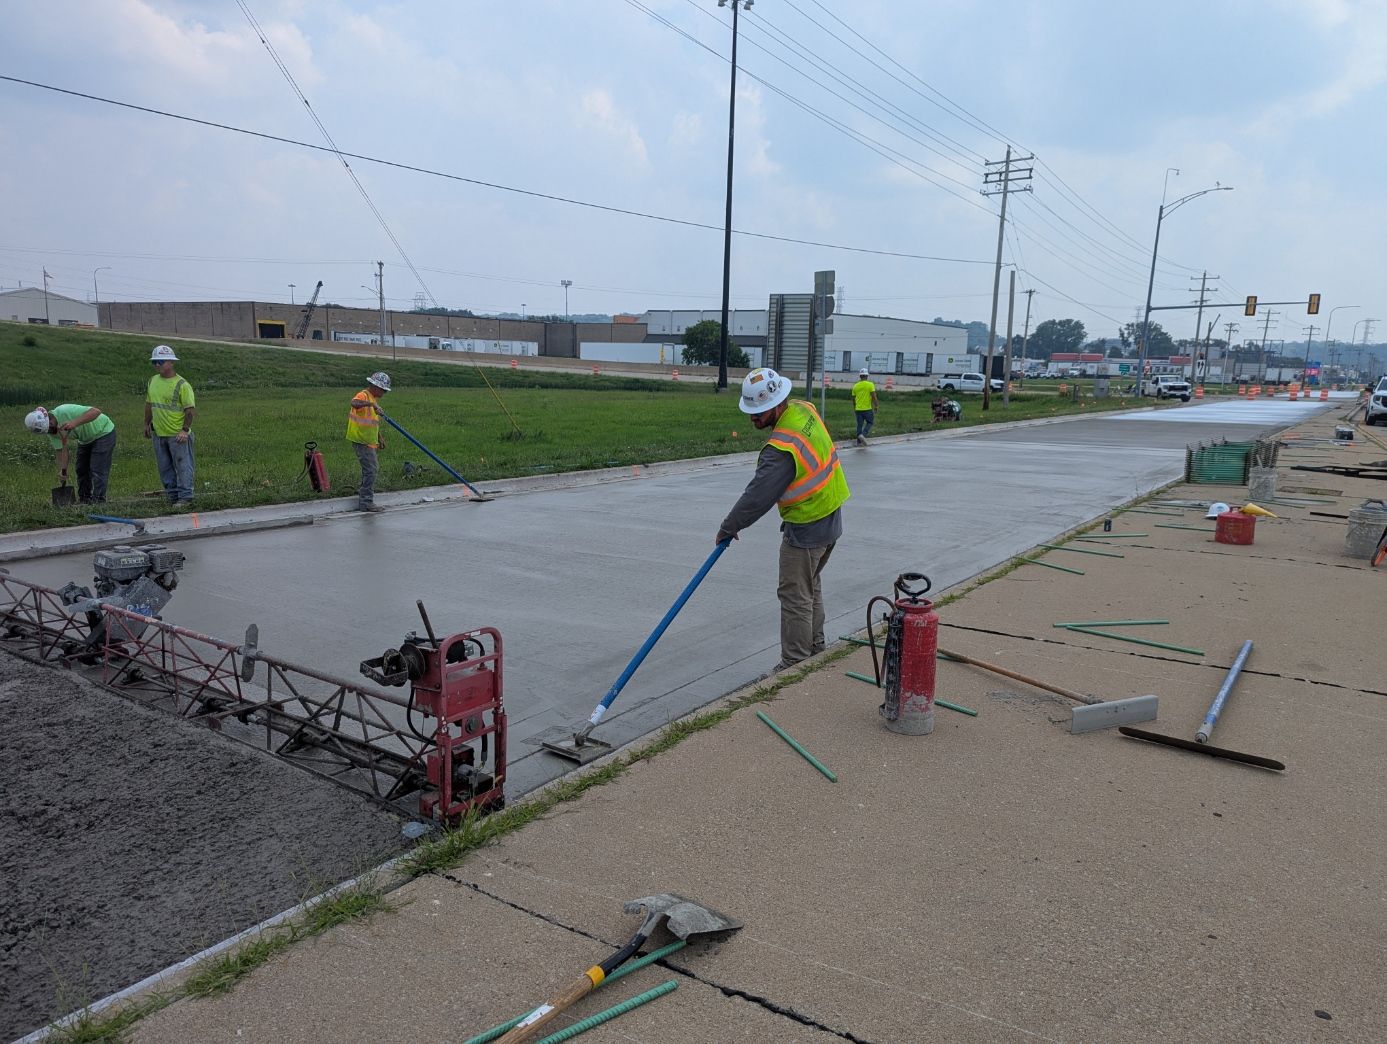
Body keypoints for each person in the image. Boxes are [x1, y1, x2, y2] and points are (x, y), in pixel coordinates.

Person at [716, 367, 850, 670]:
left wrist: (729, 527)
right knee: (810, 586)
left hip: (807, 525)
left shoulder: (780, 449)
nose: (753, 418)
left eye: (759, 411)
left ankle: (794, 663)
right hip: (831, 514)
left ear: (777, 404)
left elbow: (757, 497)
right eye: (751, 410)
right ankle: (816, 649)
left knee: (794, 595)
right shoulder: (804, 410)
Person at [24, 404, 117, 503]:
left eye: (50, 428)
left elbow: (96, 411)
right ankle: (85, 499)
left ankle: (98, 501)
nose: (51, 432)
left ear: (50, 421)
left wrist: (74, 423)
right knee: (81, 469)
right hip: (85, 440)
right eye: (48, 431)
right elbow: (61, 450)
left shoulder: (65, 410)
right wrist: (62, 470)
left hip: (103, 432)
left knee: (97, 469)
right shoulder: (50, 432)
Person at [143, 345, 196, 509]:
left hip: (177, 434)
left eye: (160, 362)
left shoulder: (182, 385)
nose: (157, 365)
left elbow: (190, 411)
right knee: (164, 467)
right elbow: (149, 403)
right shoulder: (153, 381)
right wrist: (146, 423)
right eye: (154, 362)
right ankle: (172, 496)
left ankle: (186, 497)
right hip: (159, 433)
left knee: (182, 466)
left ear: (171, 362)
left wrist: (184, 430)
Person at [347, 372, 391, 512]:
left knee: (371, 470)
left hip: (369, 441)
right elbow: (354, 403)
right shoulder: (364, 395)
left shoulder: (372, 399)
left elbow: (372, 421)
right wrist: (371, 404)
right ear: (375, 386)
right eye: (383, 390)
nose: (384, 393)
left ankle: (365, 498)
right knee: (371, 470)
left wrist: (380, 437)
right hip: (361, 440)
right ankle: (366, 502)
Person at [851, 367, 879, 445]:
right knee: (870, 422)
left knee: (859, 424)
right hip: (867, 409)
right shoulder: (870, 385)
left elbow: (853, 399)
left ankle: (858, 442)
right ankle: (862, 435)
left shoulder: (855, 386)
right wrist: (876, 406)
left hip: (858, 409)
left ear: (860, 376)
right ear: (867, 376)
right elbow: (874, 396)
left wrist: (855, 408)